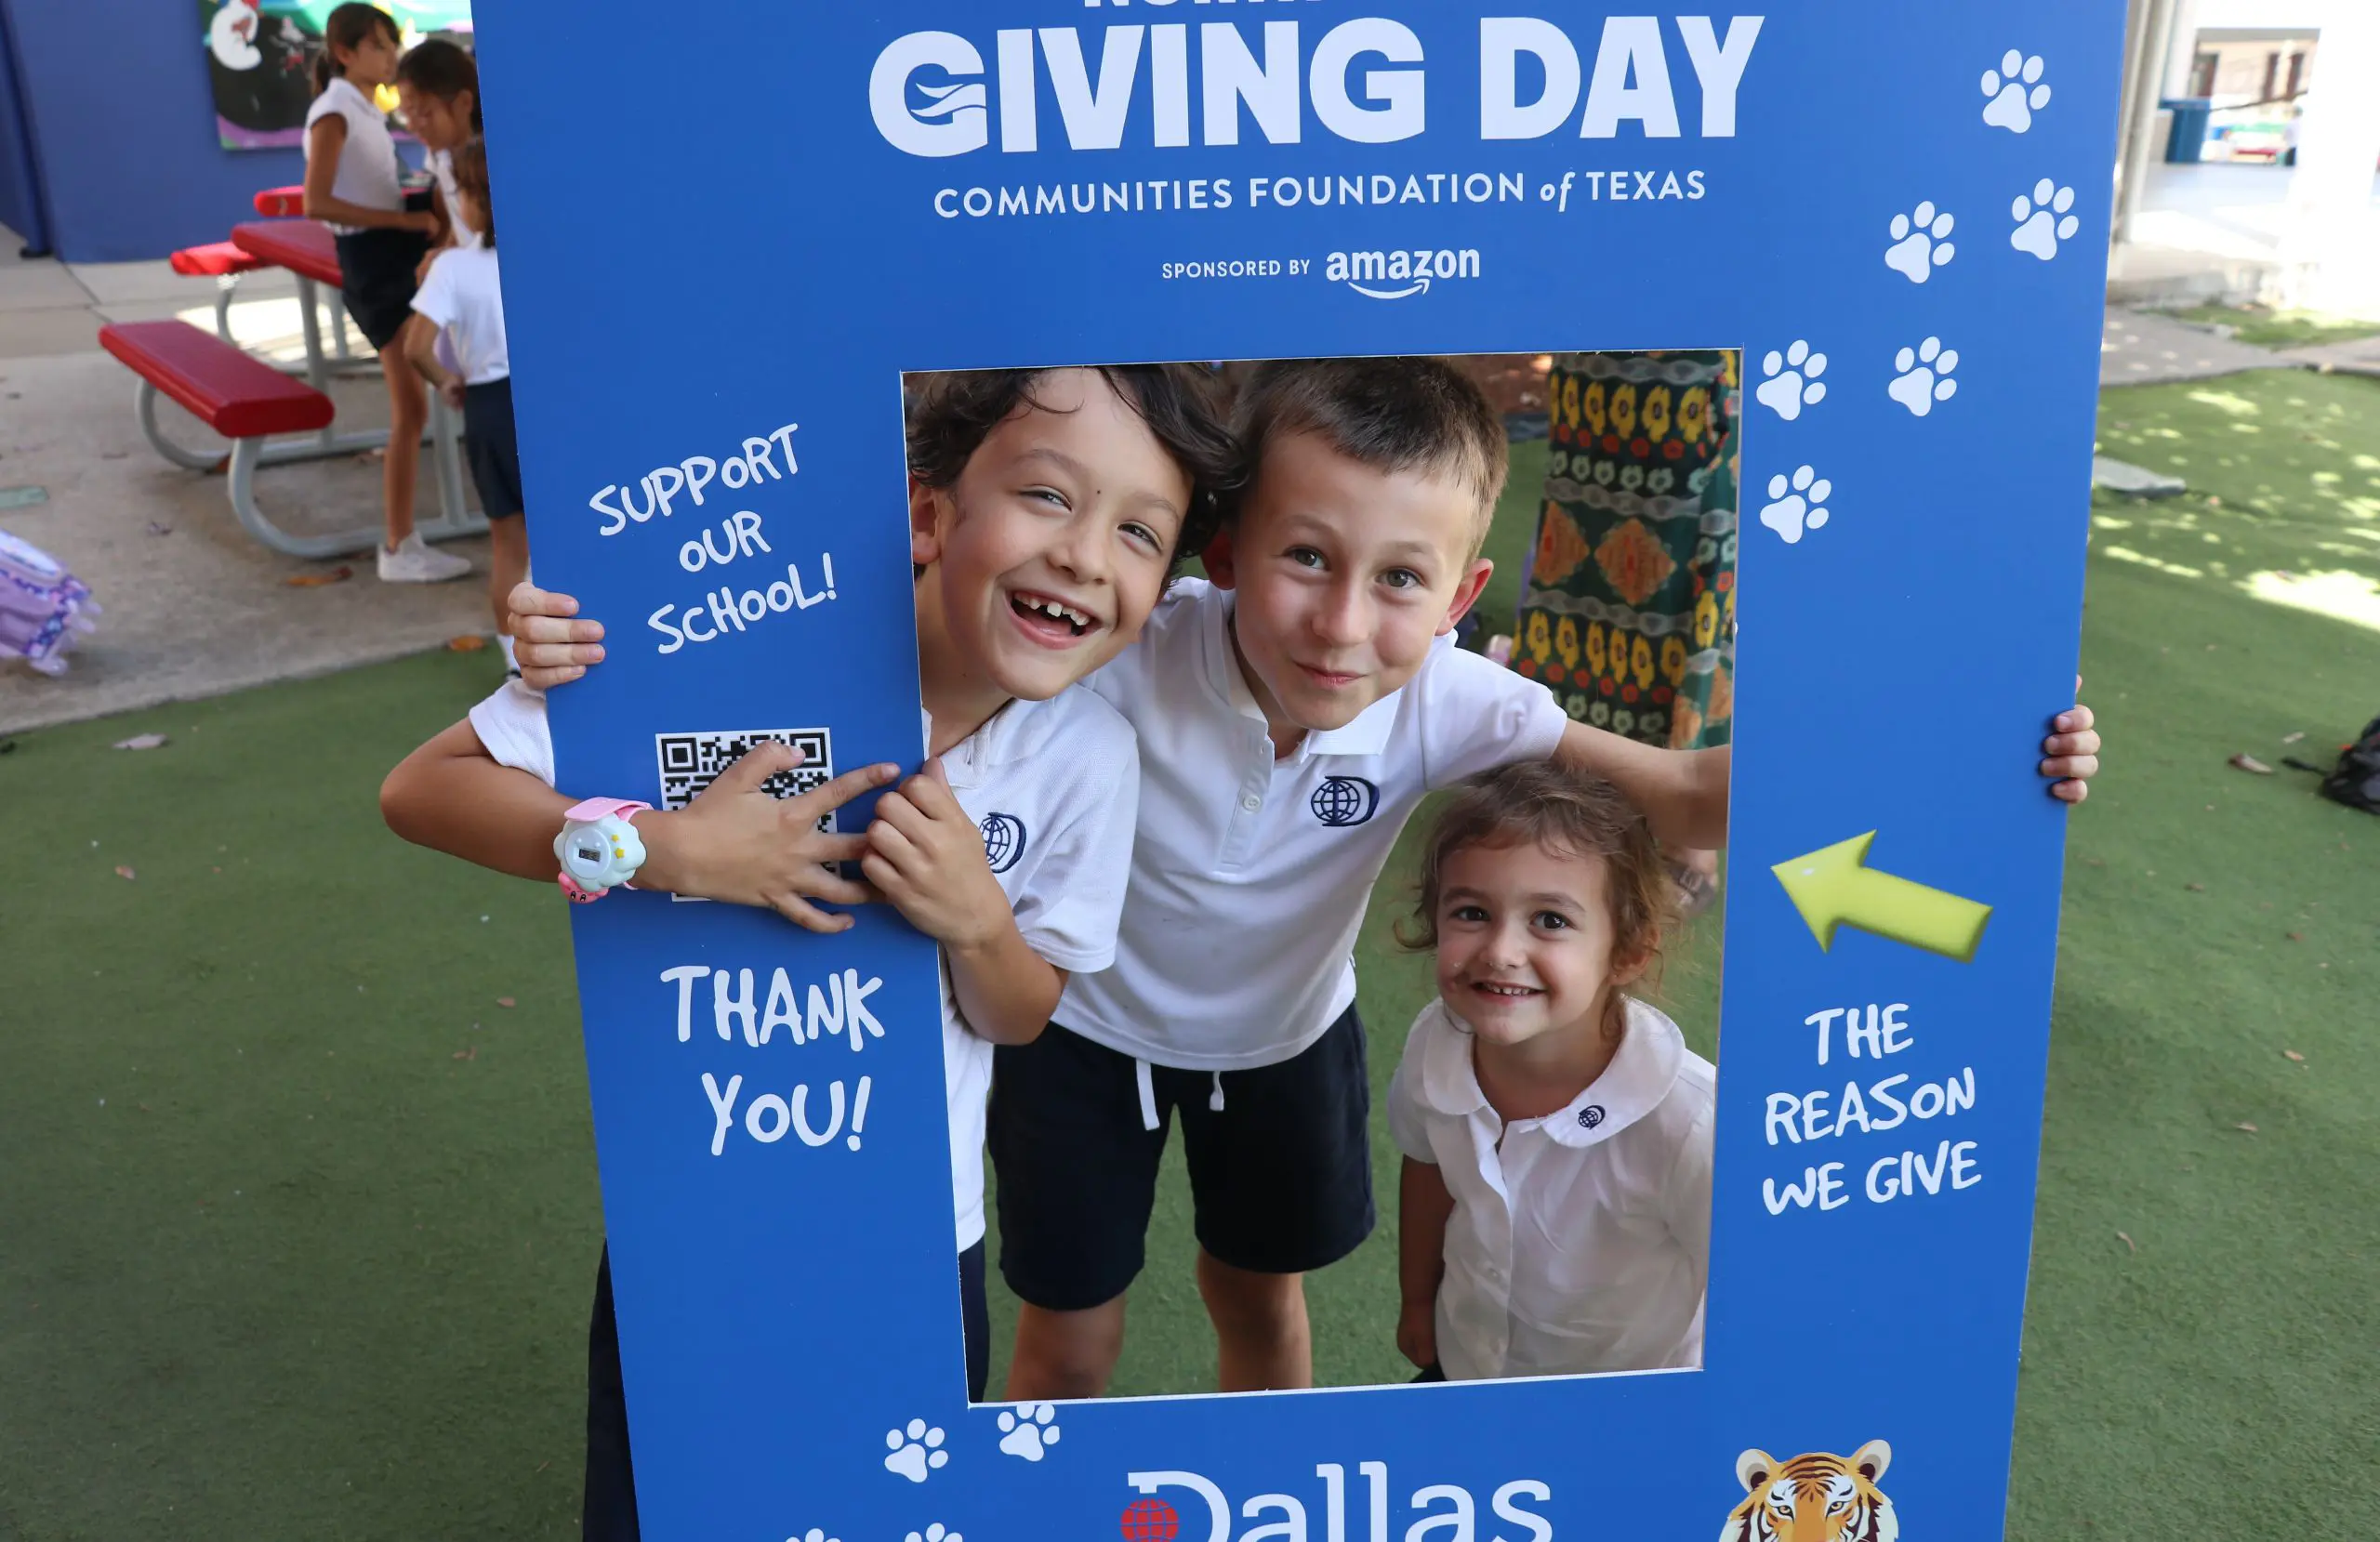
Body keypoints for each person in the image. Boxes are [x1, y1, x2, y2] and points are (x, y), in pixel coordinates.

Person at [508, 357, 2102, 1401]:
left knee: (1264, 1313)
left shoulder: (1454, 695)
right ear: (1216, 553)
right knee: (1068, 1322)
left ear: (1462, 593)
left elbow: (1689, 796)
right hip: (1076, 1039)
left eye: (1402, 579)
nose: (1344, 621)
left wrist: (1975, 759)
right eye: (1304, 556)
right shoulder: (1127, 638)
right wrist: (585, 625)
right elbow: (917, 561)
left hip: (1284, 1046)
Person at [381, 362, 1236, 1539]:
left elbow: (1021, 1014)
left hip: (916, 1236)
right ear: (929, 513)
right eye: (1048, 496)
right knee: (660, 1504)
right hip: (695, 1211)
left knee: (886, 1505)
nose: (1087, 554)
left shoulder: (1083, 757)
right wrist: (669, 853)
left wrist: (975, 918)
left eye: (1140, 531)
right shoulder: (733, 663)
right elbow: (425, 791)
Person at [1390, 760, 1709, 1383]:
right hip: (1466, 1370)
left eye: (1551, 920)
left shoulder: (1692, 1121)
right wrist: (1418, 1300)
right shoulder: (1437, 1040)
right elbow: (1426, 1162)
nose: (1501, 951)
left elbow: (1753, 1297)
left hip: (1624, 1421)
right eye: (1471, 912)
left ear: (1627, 952)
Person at [1514, 350, 1741, 912]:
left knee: (1683, 580)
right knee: (1576, 566)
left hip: (1686, 370)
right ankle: (1573, 803)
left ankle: (1690, 847)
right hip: (1596, 371)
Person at [302, 3, 469, 584]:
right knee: (411, 409)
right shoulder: (334, 111)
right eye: (377, 45)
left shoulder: (368, 110)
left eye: (392, 44)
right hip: (376, 265)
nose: (390, 56)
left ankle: (404, 541)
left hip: (393, 258)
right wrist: (406, 224)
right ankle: (398, 544)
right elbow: (316, 202)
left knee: (416, 406)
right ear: (345, 52)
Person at [403, 138, 527, 668]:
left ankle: (516, 661)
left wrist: (448, 382)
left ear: (476, 198)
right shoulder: (546, 257)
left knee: (509, 543)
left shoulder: (452, 267)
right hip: (546, 404)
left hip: (490, 406)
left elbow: (416, 347)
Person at [392, 37, 483, 263]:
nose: (412, 126)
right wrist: (447, 249)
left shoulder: (486, 166)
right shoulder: (440, 154)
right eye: (406, 115)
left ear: (464, 102)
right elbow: (459, 220)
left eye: (424, 113)